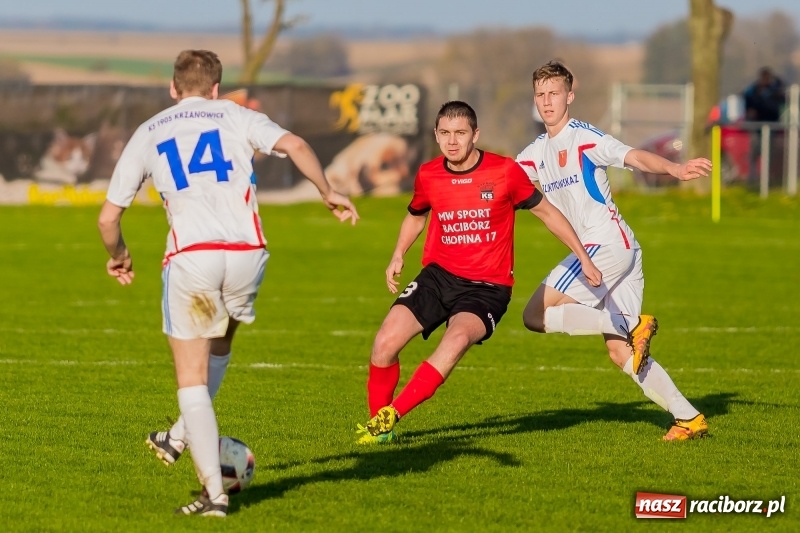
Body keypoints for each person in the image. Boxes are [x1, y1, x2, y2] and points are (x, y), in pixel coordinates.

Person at [97, 49, 359, 516]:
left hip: (194, 259)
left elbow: (107, 219)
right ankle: (178, 435)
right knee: (220, 342)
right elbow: (297, 145)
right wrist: (328, 191)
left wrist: (119, 256)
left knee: (190, 378)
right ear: (217, 88)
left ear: (173, 88)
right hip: (247, 254)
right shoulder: (237, 115)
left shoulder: (150, 130)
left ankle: (214, 494)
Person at [356, 100, 602, 444]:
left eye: (460, 133)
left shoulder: (504, 171)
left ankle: (391, 415)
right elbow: (416, 214)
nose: (452, 141)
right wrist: (398, 253)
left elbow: (548, 213)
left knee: (455, 341)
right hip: (438, 276)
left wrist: (584, 258)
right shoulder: (429, 174)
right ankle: (379, 432)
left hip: (487, 287)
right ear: (436, 135)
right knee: (384, 344)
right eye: (444, 133)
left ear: (476, 135)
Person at [515, 60, 712, 441]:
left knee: (534, 314)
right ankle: (689, 418)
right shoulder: (534, 152)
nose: (546, 101)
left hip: (605, 244)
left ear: (570, 96)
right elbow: (503, 179)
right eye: (540, 94)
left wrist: (673, 169)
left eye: (554, 93)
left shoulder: (584, 137)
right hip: (624, 251)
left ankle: (629, 323)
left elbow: (634, 156)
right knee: (622, 353)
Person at [742, 66, 786, 184]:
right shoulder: (755, 90)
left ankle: (768, 180)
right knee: (754, 153)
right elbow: (747, 99)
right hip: (757, 127)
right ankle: (753, 179)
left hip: (772, 127)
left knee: (770, 155)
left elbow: (783, 98)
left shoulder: (775, 90)